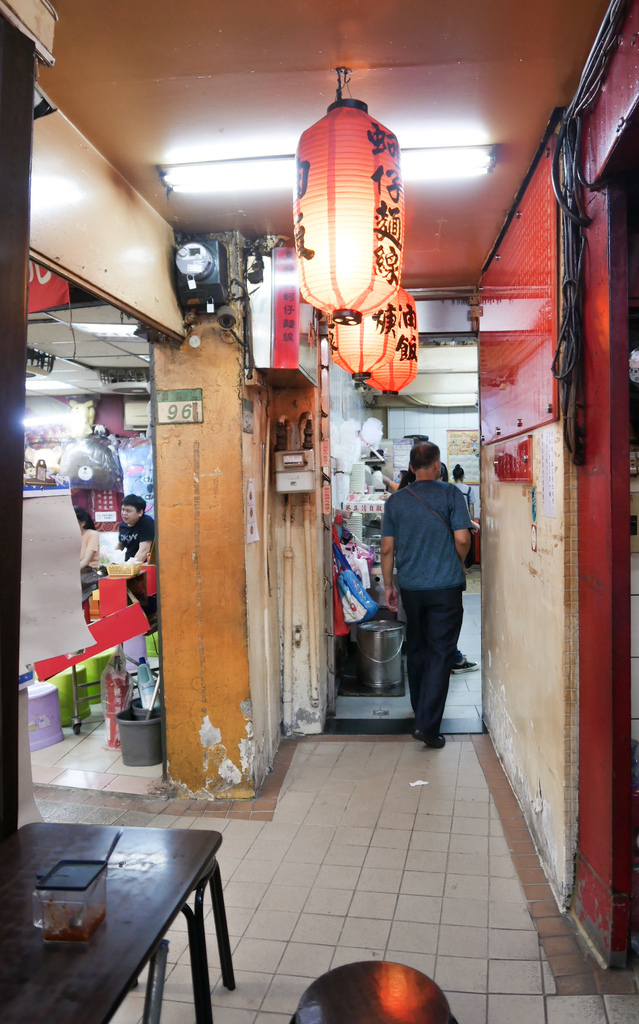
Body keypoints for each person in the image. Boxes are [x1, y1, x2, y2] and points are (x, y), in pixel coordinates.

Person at [381, 442, 471, 748]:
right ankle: (427, 726)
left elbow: (387, 548)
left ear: (410, 468)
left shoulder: (395, 501)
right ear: (437, 466)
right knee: (441, 652)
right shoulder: (451, 494)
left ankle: (421, 712)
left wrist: (389, 586)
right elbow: (462, 537)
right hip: (445, 588)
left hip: (412, 589)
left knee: (417, 649)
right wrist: (458, 561)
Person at [75, 505, 100, 622]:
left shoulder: (92, 534)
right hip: (74, 572)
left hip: (88, 572)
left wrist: (69, 573)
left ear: (83, 523)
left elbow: (85, 561)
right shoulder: (69, 536)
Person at [117, 494, 155, 563]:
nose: (124, 513)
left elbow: (144, 550)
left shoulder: (147, 522)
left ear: (140, 512)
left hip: (143, 566)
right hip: (127, 564)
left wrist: (131, 567)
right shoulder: (122, 525)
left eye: (128, 511)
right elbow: (120, 545)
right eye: (123, 510)